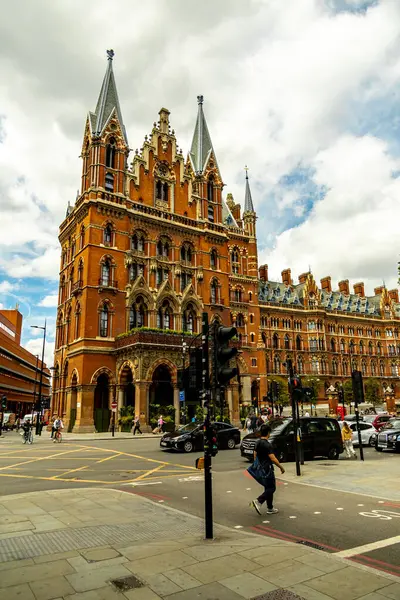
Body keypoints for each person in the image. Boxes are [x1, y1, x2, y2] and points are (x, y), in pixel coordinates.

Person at [251, 424, 285, 515]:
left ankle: (270, 508)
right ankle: (258, 501)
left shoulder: (257, 442)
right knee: (272, 488)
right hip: (268, 469)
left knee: (268, 487)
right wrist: (281, 467)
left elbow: (255, 455)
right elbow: (273, 458)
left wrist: (257, 464)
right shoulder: (267, 445)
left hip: (261, 468)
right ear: (268, 433)